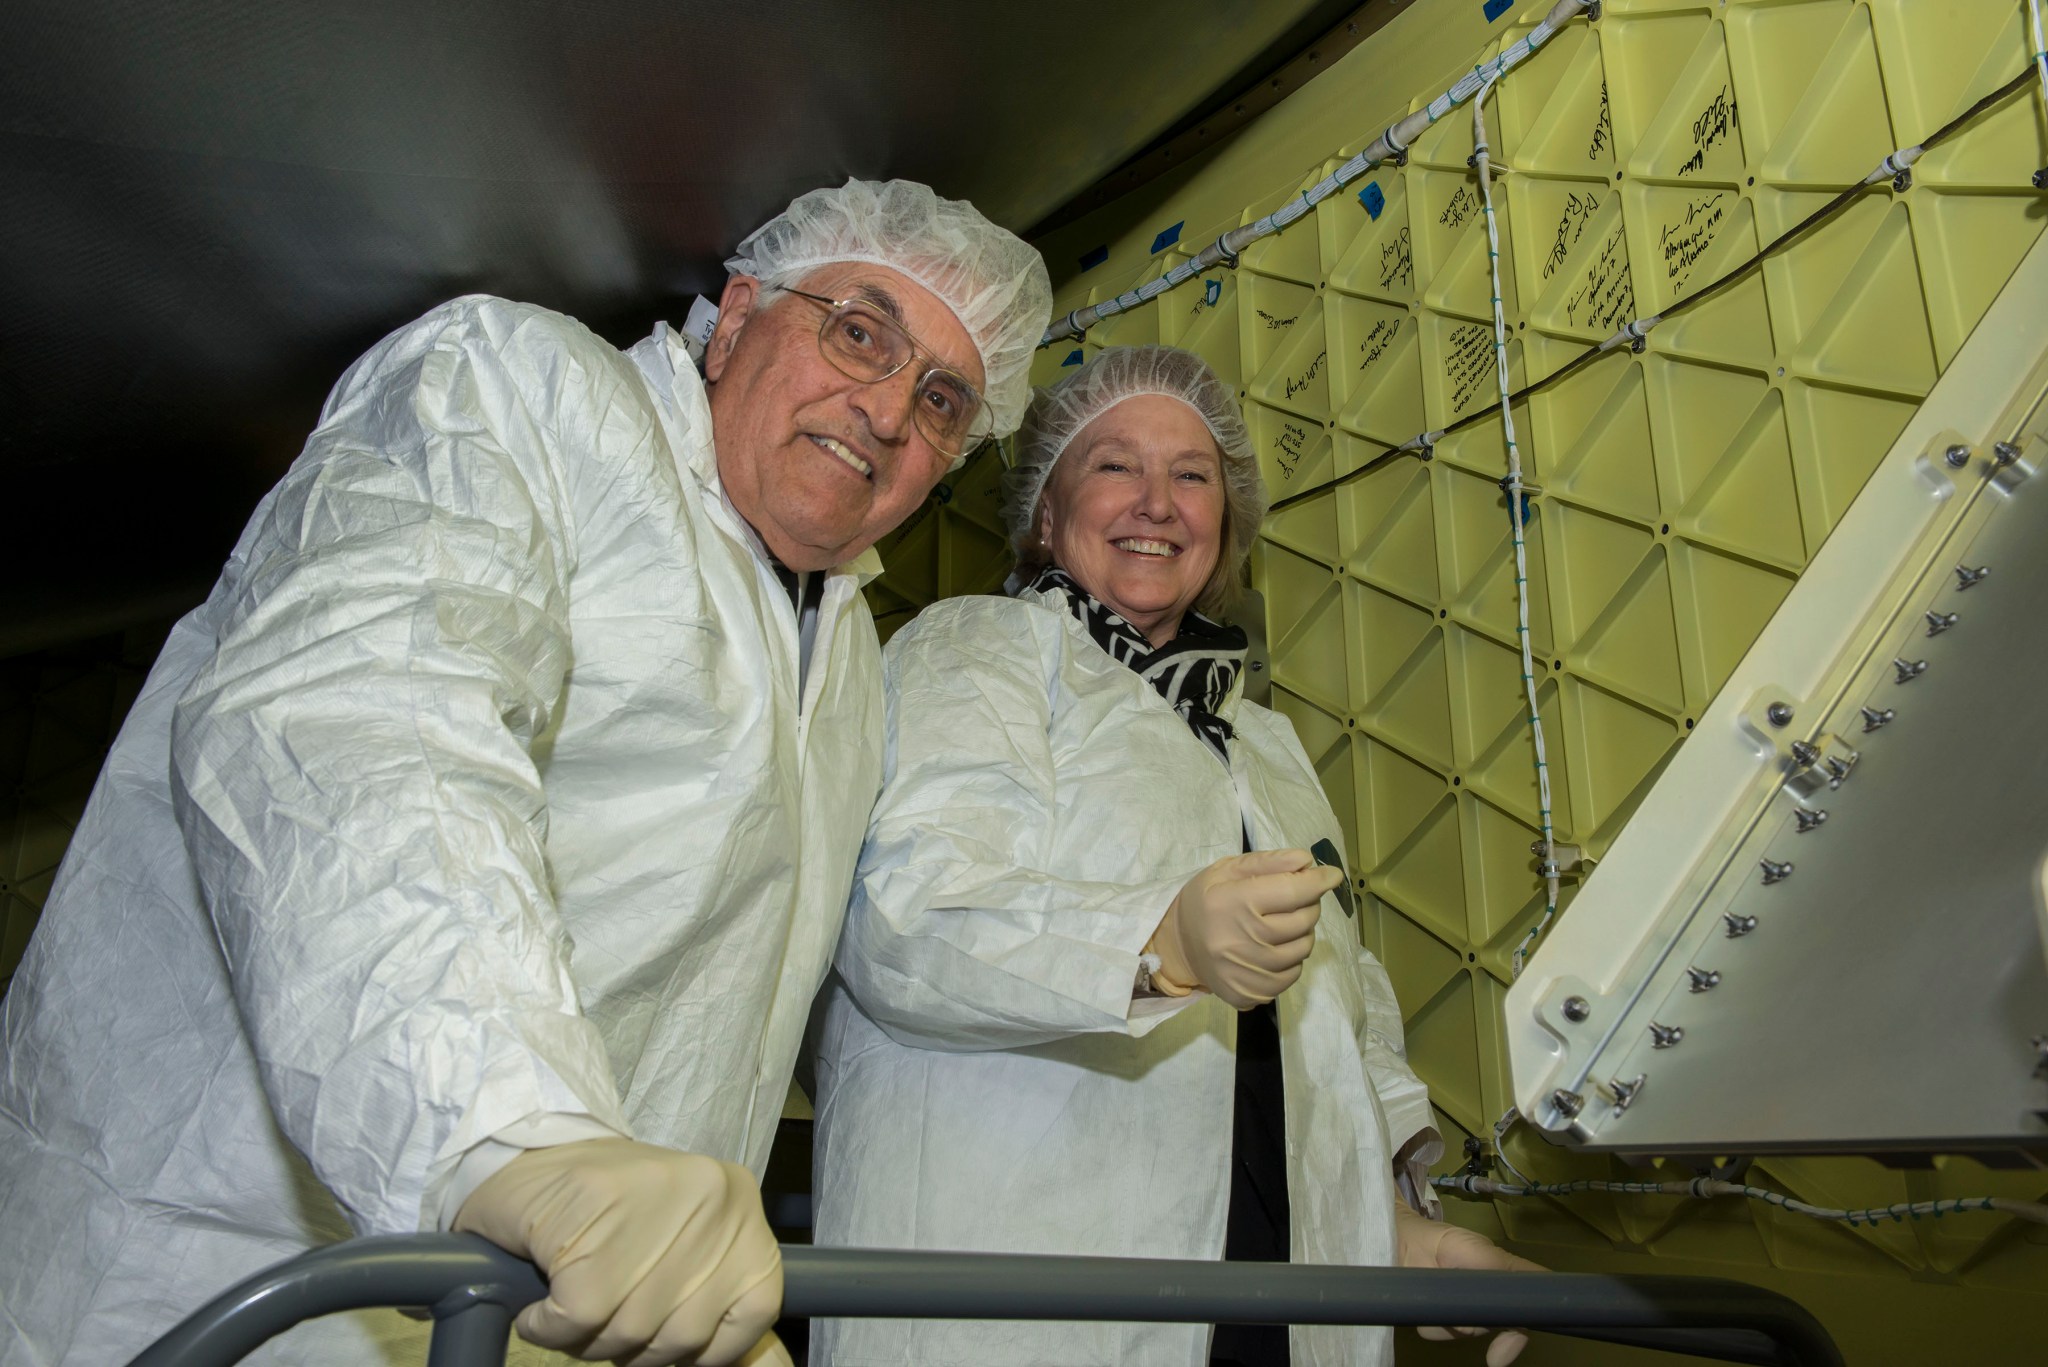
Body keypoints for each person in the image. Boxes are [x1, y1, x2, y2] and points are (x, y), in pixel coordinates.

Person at [0, 178, 1050, 1367]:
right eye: (859, 331)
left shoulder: (845, 651)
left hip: (570, 1308)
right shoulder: (520, 387)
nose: (883, 409)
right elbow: (367, 716)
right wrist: (517, 1133)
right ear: (740, 315)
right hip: (242, 1264)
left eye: (941, 399)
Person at [808, 344, 1538, 1367]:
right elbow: (902, 914)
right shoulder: (972, 652)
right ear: (1044, 515)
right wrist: (1155, 944)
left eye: (1191, 475)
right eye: (1113, 465)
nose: (1156, 501)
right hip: (1022, 1277)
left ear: (1225, 524)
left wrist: (1391, 1224)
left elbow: (1337, 1012)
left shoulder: (1261, 742)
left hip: (1278, 1305)